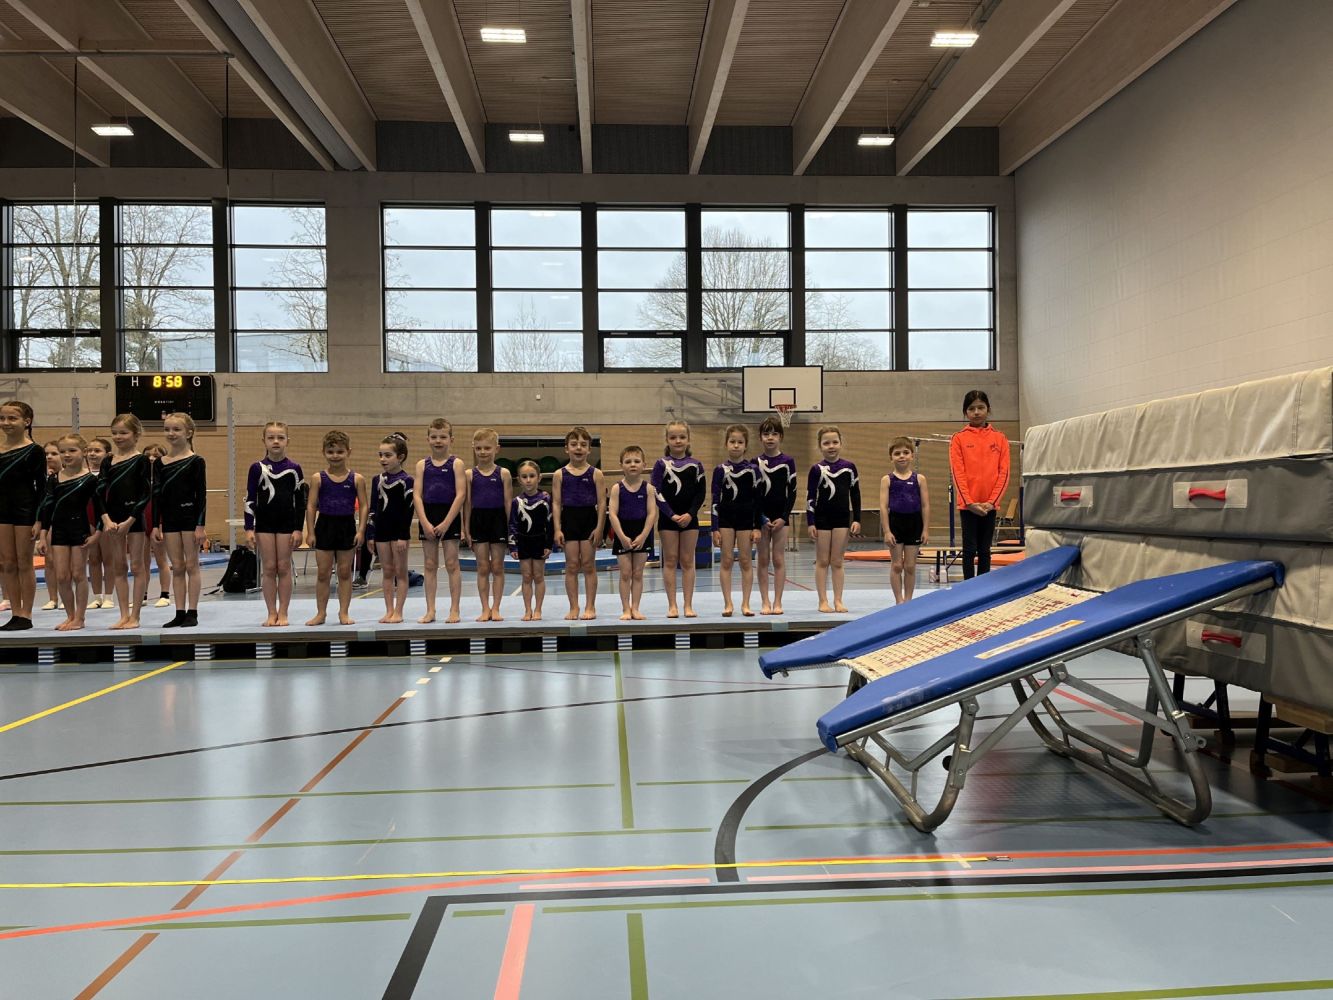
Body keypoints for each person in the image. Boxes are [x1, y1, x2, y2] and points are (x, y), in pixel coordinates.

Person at [37, 434, 104, 631]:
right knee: (61, 576)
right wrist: (42, 536)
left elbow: (101, 508)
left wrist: (98, 533)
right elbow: (47, 508)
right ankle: (70, 616)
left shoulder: (90, 480)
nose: (66, 455)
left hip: (79, 529)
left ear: (83, 452)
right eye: (62, 451)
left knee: (78, 574)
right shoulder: (54, 479)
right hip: (59, 531)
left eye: (72, 450)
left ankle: (80, 618)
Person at [304, 430, 368, 626]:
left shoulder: (357, 479)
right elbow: (311, 505)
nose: (335, 456)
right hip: (325, 526)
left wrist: (361, 530)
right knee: (323, 573)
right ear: (323, 452)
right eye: (330, 452)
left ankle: (343, 613)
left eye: (340, 452)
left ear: (349, 452)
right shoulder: (318, 478)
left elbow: (364, 506)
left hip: (346, 527)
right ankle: (321, 613)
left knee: (345, 572)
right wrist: (311, 532)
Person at [244, 421, 305, 627]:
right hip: (265, 523)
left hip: (287, 523)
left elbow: (300, 502)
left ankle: (284, 612)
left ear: (288, 440)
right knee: (269, 567)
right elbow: (250, 499)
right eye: (271, 438)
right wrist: (248, 528)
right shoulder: (256, 468)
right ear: (264, 441)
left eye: (280, 437)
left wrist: (298, 528)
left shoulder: (294, 469)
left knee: (284, 566)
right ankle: (271, 612)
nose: (276, 441)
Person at [153, 413, 207, 628]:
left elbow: (201, 495)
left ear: (189, 433)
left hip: (190, 517)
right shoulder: (159, 463)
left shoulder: (196, 461)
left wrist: (200, 525)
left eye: (176, 429)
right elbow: (156, 495)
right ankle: (179, 612)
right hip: (170, 519)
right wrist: (156, 524)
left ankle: (192, 612)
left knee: (192, 565)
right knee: (177, 566)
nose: (171, 433)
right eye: (167, 429)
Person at [949, 389, 1010, 580]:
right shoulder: (958, 438)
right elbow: (957, 473)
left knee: (985, 550)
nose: (976, 412)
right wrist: (969, 502)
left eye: (980, 407)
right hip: (968, 506)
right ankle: (968, 587)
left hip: (989, 506)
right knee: (969, 549)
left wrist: (992, 502)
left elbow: (1004, 473)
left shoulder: (1000, 438)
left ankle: (984, 588)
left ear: (988, 409)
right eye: (971, 408)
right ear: (965, 412)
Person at [100, 414, 152, 629]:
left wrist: (130, 521)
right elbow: (99, 492)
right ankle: (123, 615)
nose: (118, 437)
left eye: (123, 433)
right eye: (114, 433)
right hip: (113, 519)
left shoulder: (141, 460)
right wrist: (106, 519)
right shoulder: (107, 461)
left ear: (136, 434)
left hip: (134, 519)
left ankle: (135, 616)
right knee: (118, 567)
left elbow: (145, 493)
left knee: (137, 565)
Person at [413, 417, 465, 624]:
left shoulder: (456, 464)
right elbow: (417, 495)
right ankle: (430, 610)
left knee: (452, 563)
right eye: (434, 437)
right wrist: (424, 522)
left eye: (443, 437)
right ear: (428, 439)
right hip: (428, 514)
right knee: (429, 564)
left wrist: (446, 522)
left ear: (451, 439)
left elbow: (461, 495)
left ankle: (455, 609)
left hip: (449, 514)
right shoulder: (422, 465)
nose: (438, 441)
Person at [651, 420, 705, 619]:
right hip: (668, 519)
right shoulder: (661, 464)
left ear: (688, 439)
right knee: (671, 560)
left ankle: (688, 605)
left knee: (688, 560)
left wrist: (690, 513)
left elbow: (700, 493)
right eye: (673, 437)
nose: (678, 441)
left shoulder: (696, 465)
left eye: (682, 437)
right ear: (667, 440)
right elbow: (656, 491)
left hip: (690, 519)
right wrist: (671, 514)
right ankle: (672, 605)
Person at [0, 401, 46, 630]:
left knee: (24, 562)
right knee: (6, 563)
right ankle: (15, 612)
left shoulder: (34, 451)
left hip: (25, 510)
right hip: (2, 510)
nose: (6, 423)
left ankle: (26, 615)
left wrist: (39, 519)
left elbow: (42, 488)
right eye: (2, 418)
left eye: (12, 418)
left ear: (26, 422)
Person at [552, 426, 605, 621]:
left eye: (583, 445)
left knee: (589, 565)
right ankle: (574, 606)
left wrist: (599, 528)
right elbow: (556, 503)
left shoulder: (596, 474)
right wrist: (557, 528)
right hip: (569, 519)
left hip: (589, 519)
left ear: (589, 449)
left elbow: (602, 503)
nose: (579, 448)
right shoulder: (559, 474)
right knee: (572, 565)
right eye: (574, 444)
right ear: (567, 448)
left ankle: (590, 606)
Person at [807, 425, 860, 614]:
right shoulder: (816, 469)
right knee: (822, 561)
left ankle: (838, 600)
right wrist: (811, 521)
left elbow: (855, 495)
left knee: (837, 561)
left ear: (840, 443)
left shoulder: (849, 468)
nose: (831, 446)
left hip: (842, 519)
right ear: (820, 446)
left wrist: (857, 519)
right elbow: (810, 497)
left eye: (835, 442)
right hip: (822, 519)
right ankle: (823, 601)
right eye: (826, 443)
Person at [712, 425, 761, 618]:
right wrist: (714, 527)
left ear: (746, 445)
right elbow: (715, 499)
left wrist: (757, 526)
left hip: (746, 520)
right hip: (726, 519)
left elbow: (758, 501)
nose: (736, 445)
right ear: (726, 444)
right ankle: (728, 603)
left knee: (746, 561)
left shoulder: (753, 470)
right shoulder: (720, 470)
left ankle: (746, 603)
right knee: (726, 560)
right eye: (732, 441)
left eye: (740, 442)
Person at [466, 428, 512, 622]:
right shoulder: (469, 474)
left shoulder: (504, 473)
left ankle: (496, 607)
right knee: (483, 567)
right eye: (478, 448)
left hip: (498, 520)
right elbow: (467, 504)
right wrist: (466, 530)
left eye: (487, 448)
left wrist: (510, 529)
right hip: (478, 520)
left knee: (498, 567)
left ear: (496, 449)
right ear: (473, 448)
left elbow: (508, 503)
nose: (483, 452)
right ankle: (485, 608)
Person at [608, 445, 657, 622]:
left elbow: (652, 513)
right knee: (625, 573)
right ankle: (625, 608)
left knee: (637, 573)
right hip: (623, 531)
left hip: (642, 532)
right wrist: (621, 536)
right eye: (628, 462)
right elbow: (612, 513)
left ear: (644, 464)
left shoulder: (648, 488)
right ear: (621, 465)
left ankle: (635, 607)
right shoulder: (617, 488)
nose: (633, 464)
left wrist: (644, 535)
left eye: (636, 461)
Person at [369, 433, 413, 624]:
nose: (383, 459)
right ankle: (389, 610)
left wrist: (403, 535)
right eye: (380, 455)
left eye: (388, 455)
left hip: (399, 532)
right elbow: (373, 509)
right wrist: (371, 534)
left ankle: (399, 611)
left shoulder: (407, 481)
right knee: (387, 571)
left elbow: (408, 511)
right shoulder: (377, 480)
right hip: (381, 531)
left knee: (400, 572)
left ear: (400, 457)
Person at [880, 436, 930, 604]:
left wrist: (925, 529)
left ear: (912, 456)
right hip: (895, 523)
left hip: (914, 523)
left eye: (905, 452)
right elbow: (883, 507)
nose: (901, 456)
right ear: (891, 457)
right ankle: (899, 600)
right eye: (897, 453)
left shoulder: (919, 479)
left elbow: (925, 506)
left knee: (910, 566)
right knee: (897, 565)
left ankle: (908, 600)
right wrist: (887, 531)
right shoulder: (887, 480)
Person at [755, 416, 796, 616]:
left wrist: (784, 517)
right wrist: (760, 517)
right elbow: (753, 494)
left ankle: (778, 601)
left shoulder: (788, 462)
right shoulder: (755, 463)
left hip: (781, 517)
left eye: (774, 434)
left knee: (778, 559)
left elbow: (792, 492)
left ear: (781, 437)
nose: (770, 437)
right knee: (763, 559)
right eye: (766, 434)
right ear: (760, 438)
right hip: (760, 518)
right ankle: (765, 601)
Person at [508, 460, 553, 621]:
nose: (528, 480)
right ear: (519, 479)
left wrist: (549, 544)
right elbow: (512, 524)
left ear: (539, 478)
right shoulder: (516, 501)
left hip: (540, 540)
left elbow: (550, 523)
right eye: (524, 476)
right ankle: (528, 610)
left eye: (532, 476)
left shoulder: (546, 498)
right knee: (526, 576)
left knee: (539, 576)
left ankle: (538, 609)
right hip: (523, 541)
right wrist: (513, 546)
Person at [142, 443, 173, 609]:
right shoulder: (140, 478)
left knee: (161, 560)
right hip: (142, 522)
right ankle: (143, 595)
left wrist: (160, 524)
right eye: (147, 455)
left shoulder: (165, 478)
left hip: (158, 522)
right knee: (142, 563)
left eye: (156, 455)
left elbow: (165, 504)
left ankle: (165, 594)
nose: (151, 458)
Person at [84, 436, 112, 610]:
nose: (92, 454)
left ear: (107, 454)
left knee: (108, 558)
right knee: (93, 559)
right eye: (89, 450)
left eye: (97, 451)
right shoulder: (82, 473)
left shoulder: (110, 474)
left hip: (106, 517)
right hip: (88, 518)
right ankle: (96, 596)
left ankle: (109, 596)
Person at [39, 440, 62, 612]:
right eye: (46, 454)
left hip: (67, 520)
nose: (49, 457)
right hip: (48, 521)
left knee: (65, 563)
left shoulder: (67, 476)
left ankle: (67, 596)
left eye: (54, 453)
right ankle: (53, 598)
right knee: (50, 561)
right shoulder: (42, 477)